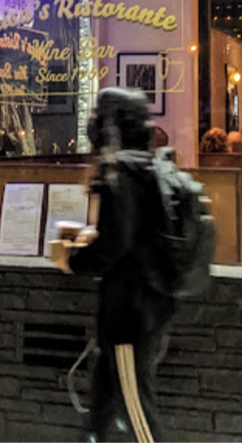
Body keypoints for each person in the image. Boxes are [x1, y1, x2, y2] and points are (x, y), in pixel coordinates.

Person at [53, 88, 174, 443]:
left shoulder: (120, 173)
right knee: (103, 408)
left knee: (137, 412)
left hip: (130, 313)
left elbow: (114, 245)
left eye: (97, 117)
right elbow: (131, 235)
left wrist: (72, 258)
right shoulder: (148, 167)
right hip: (148, 305)